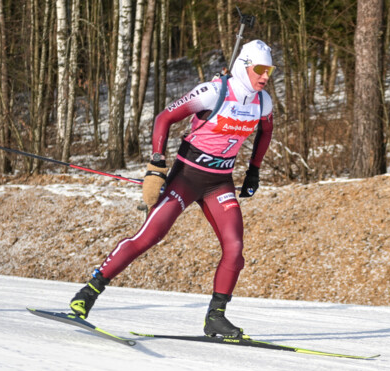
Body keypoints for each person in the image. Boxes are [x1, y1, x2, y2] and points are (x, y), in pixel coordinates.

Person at [69, 40, 275, 338]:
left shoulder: (262, 102)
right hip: (187, 177)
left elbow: (266, 131)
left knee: (235, 248)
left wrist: (254, 169)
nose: (265, 77)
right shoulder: (214, 92)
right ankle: (87, 294)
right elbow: (164, 117)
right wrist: (156, 164)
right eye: (259, 69)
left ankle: (216, 317)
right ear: (244, 66)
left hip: (220, 182)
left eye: (269, 70)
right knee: (149, 237)